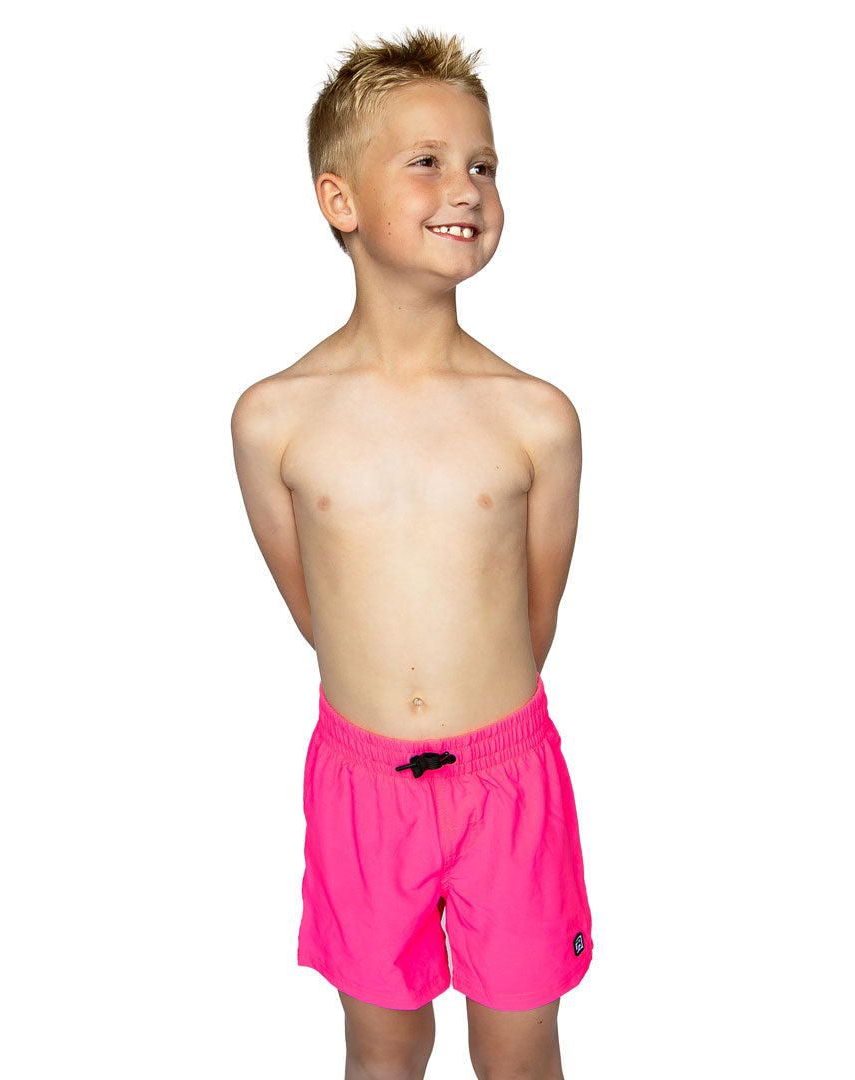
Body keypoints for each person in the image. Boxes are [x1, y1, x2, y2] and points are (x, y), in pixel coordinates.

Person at [231, 27, 593, 1080]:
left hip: (508, 785)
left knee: (519, 1053)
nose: (466, 186)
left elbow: (534, 617)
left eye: (484, 163)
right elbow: (316, 610)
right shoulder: (274, 421)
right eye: (426, 161)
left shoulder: (536, 420)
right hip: (362, 790)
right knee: (382, 1050)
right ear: (339, 200)